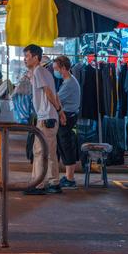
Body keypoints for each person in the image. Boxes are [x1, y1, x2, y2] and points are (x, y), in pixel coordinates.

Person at [23, 44, 64, 195]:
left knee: (39, 151)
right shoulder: (46, 73)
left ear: (35, 57)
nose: (25, 59)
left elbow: (48, 92)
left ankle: (38, 184)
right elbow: (54, 93)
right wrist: (60, 112)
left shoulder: (39, 71)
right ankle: (54, 182)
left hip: (45, 117)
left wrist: (59, 110)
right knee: (50, 151)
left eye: (27, 56)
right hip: (51, 116)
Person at [53, 56, 81, 189]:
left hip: (67, 117)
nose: (55, 71)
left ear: (63, 68)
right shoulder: (68, 81)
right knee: (64, 146)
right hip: (68, 115)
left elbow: (56, 99)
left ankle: (70, 179)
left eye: (56, 69)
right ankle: (68, 176)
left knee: (66, 146)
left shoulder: (69, 83)